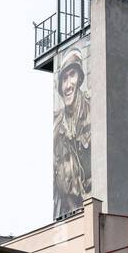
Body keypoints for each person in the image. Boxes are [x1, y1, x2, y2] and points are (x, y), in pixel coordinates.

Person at [52, 50, 91, 218]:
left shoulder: (94, 111)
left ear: (80, 78)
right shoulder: (56, 125)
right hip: (69, 217)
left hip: (95, 211)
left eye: (72, 75)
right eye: (64, 79)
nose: (68, 85)